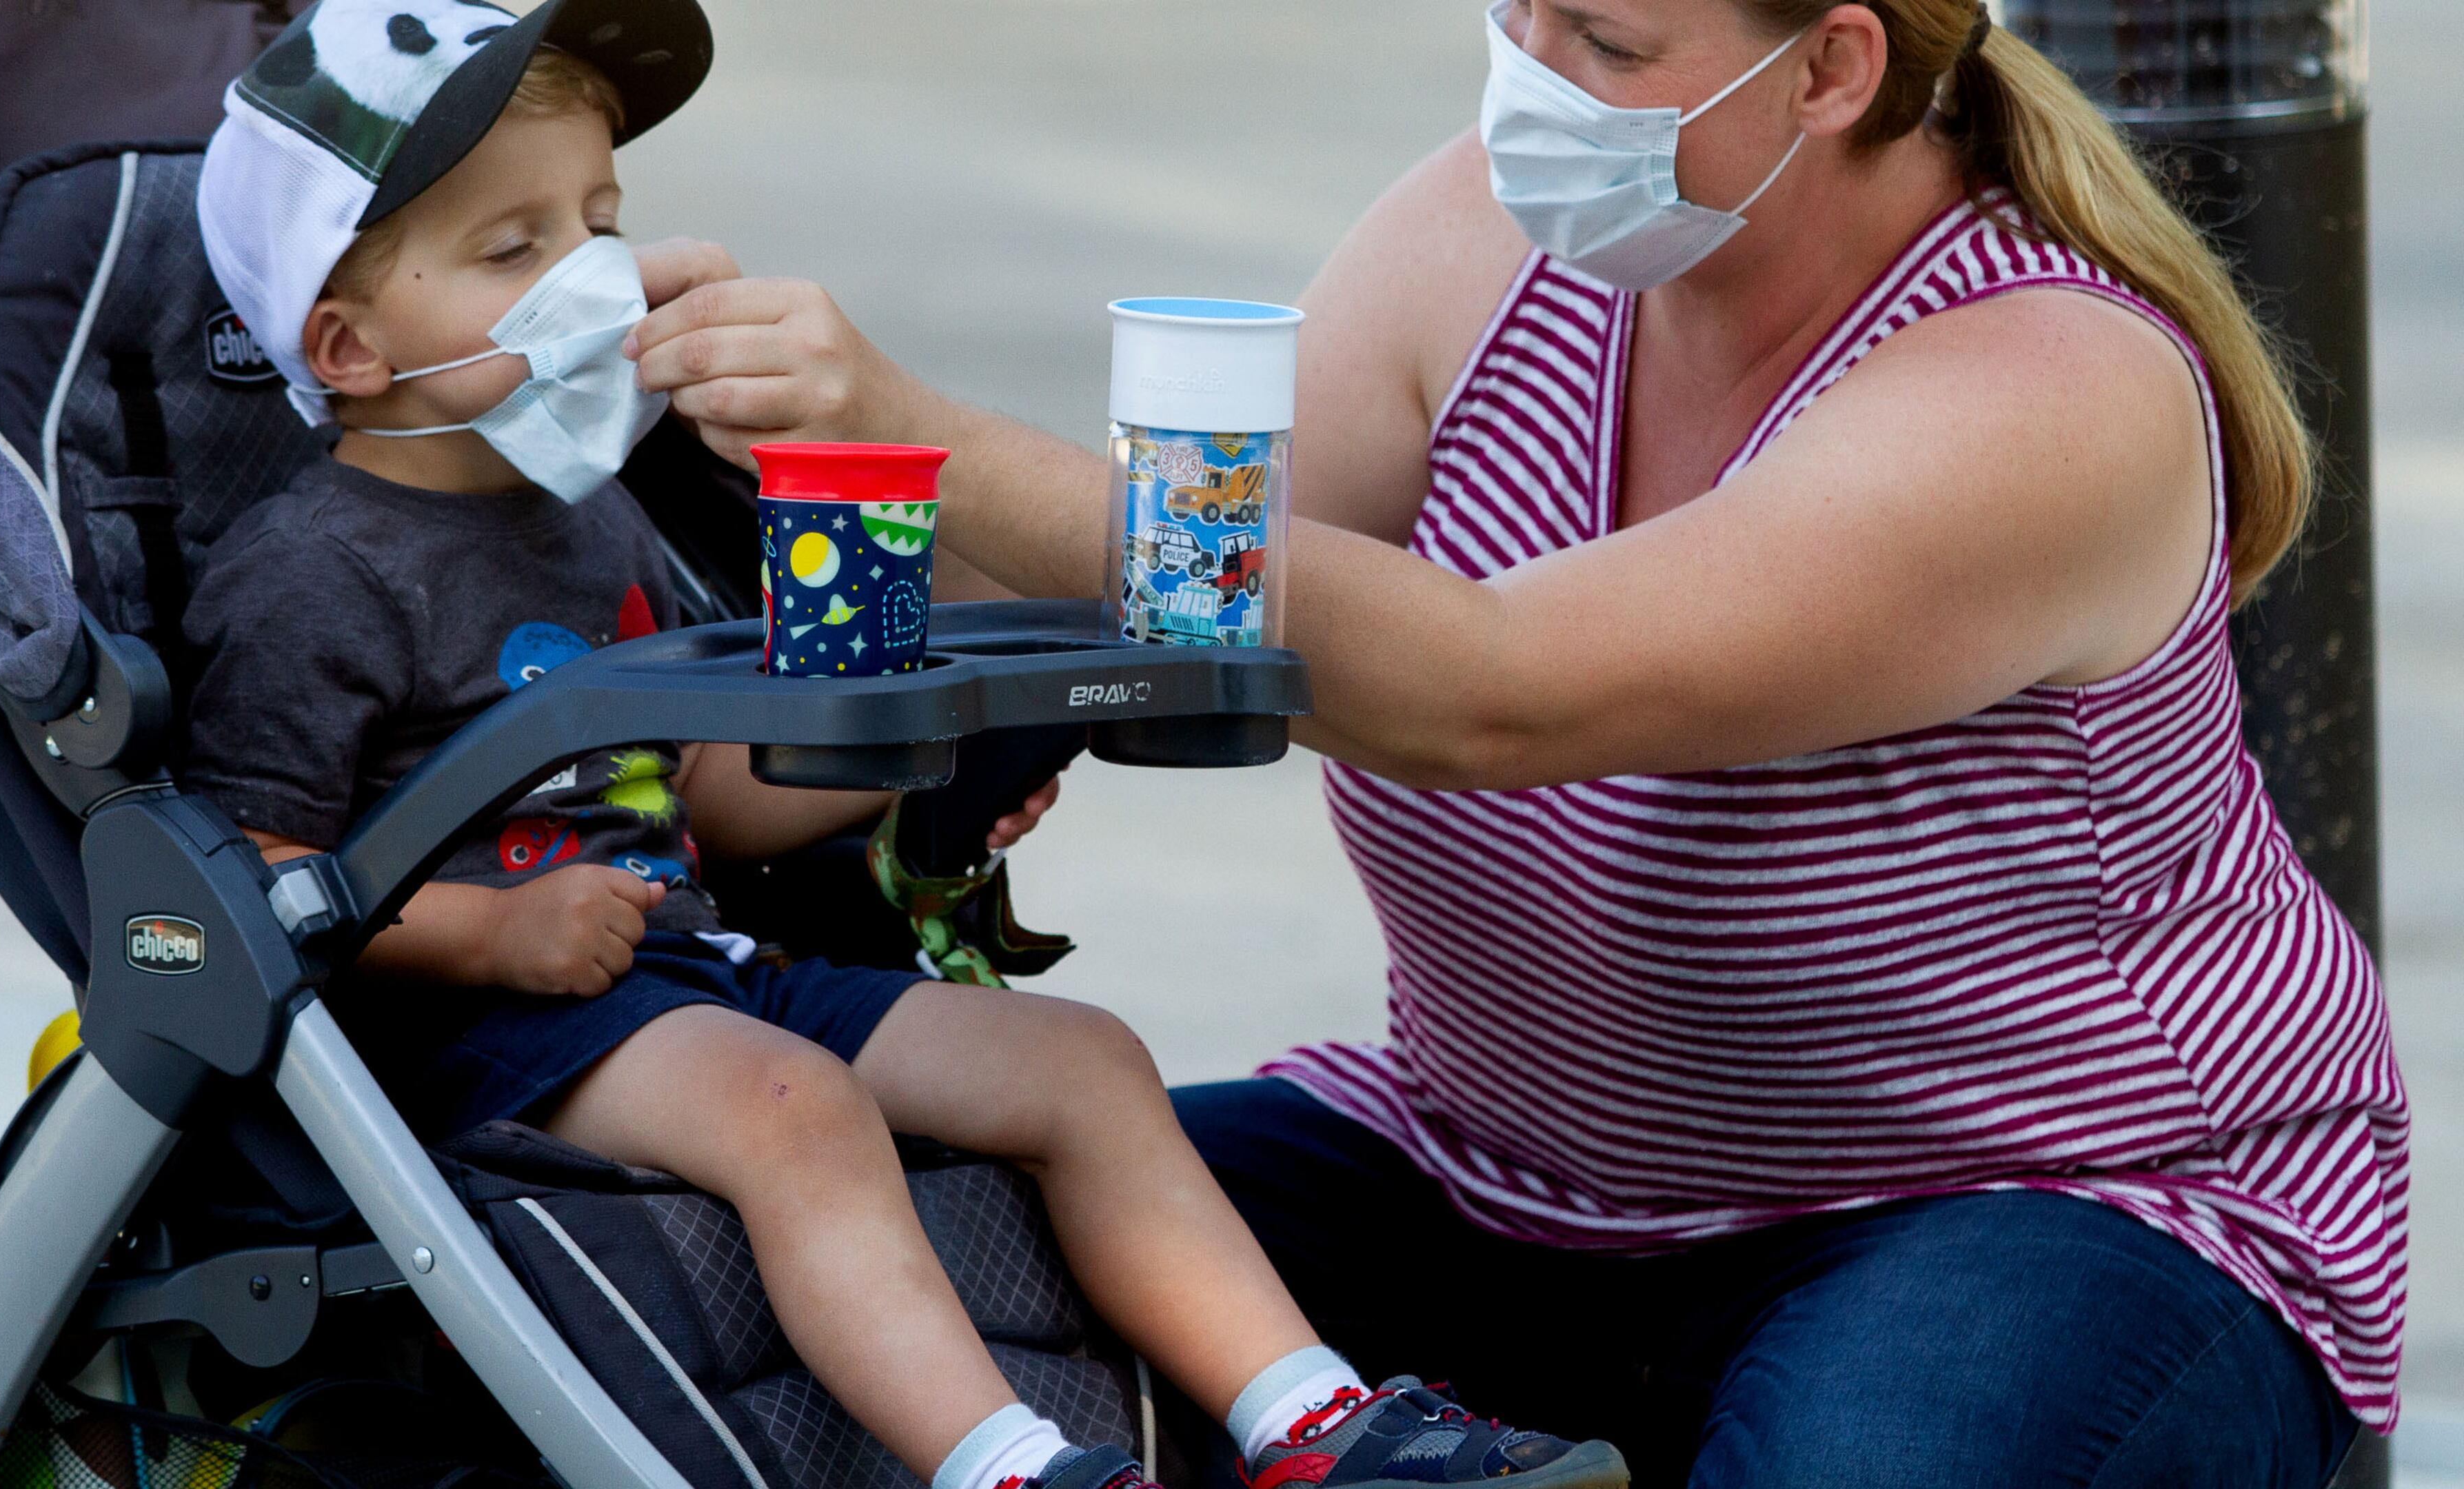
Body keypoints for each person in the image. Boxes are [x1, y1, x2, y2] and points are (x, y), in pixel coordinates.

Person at [620, 0, 2407, 1483]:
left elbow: (1505, 690)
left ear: (1833, 67)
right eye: (1521, 10)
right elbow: (1165, 621)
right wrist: (676, 463)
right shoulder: (1484, 238)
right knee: (830, 1291)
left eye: (1609, 44)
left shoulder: (2050, 388)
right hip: (1497, 1173)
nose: (1534, 81)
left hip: (2039, 1198)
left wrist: (911, 435)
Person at [181, 6, 1630, 1489]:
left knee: (1079, 1064)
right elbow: (241, 889)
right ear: (350, 345)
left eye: (599, 226)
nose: (586, 282)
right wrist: (493, 934)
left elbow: (707, 802)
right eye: (512, 252)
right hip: (481, 1035)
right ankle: (1005, 1464)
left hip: (686, 978)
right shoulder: (313, 574)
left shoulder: (591, 514)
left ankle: (1316, 1427)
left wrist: (916, 745)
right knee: (795, 1110)